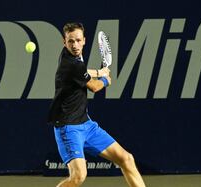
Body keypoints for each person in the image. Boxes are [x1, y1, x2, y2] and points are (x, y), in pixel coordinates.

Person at [48, 22, 146, 187]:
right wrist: (105, 80)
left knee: (126, 159)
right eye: (71, 41)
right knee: (79, 176)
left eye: (78, 40)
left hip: (86, 125)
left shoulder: (74, 59)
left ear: (84, 40)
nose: (75, 45)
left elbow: (83, 71)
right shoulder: (70, 63)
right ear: (64, 42)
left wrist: (99, 71)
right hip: (68, 127)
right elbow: (94, 86)